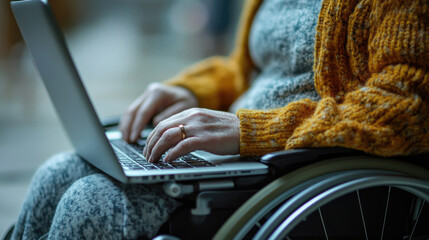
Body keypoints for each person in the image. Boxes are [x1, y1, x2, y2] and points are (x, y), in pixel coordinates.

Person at [11, 0, 429, 239]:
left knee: (91, 202)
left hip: (294, 167)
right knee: (57, 171)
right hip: (238, 152)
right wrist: (194, 91)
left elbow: (408, 104)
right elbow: (248, 68)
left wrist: (250, 130)